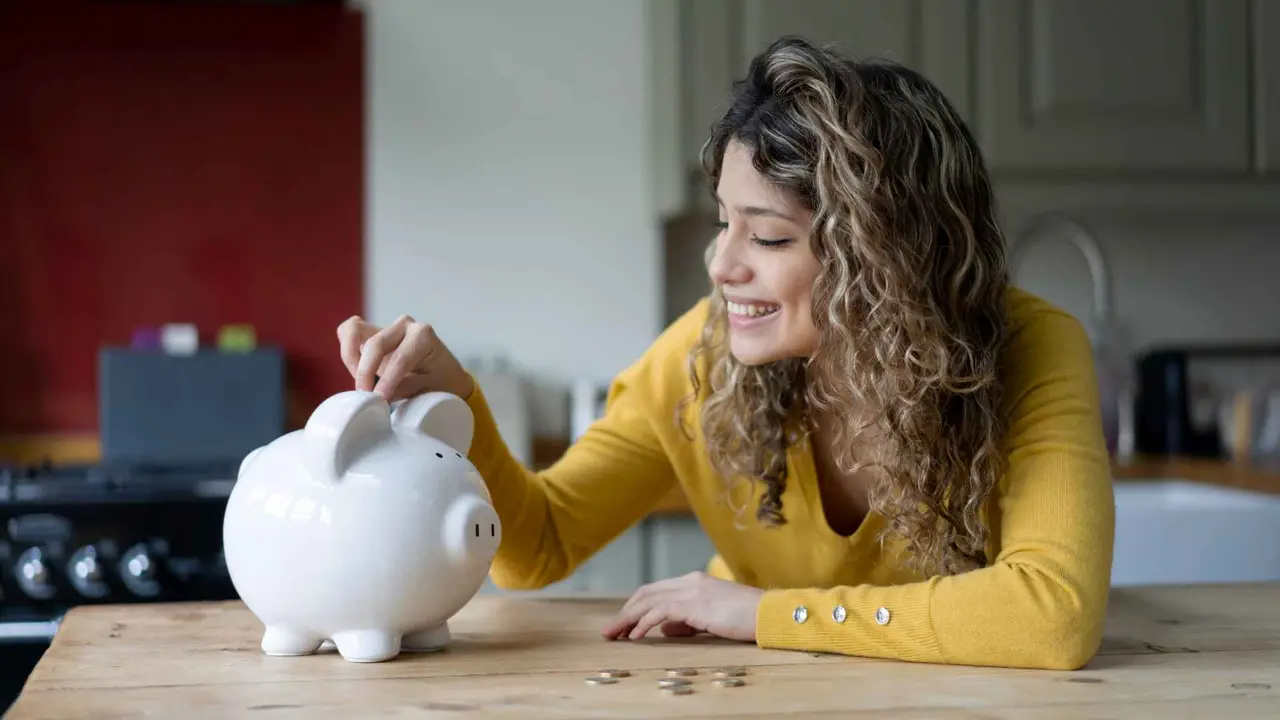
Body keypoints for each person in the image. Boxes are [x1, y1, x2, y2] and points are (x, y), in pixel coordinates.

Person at [336, 36, 1115, 671]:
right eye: (724, 224)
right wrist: (459, 398)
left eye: (768, 236)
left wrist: (766, 615)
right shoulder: (698, 361)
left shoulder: (1031, 348)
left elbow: (1051, 616)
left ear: (888, 256)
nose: (722, 264)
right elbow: (535, 548)